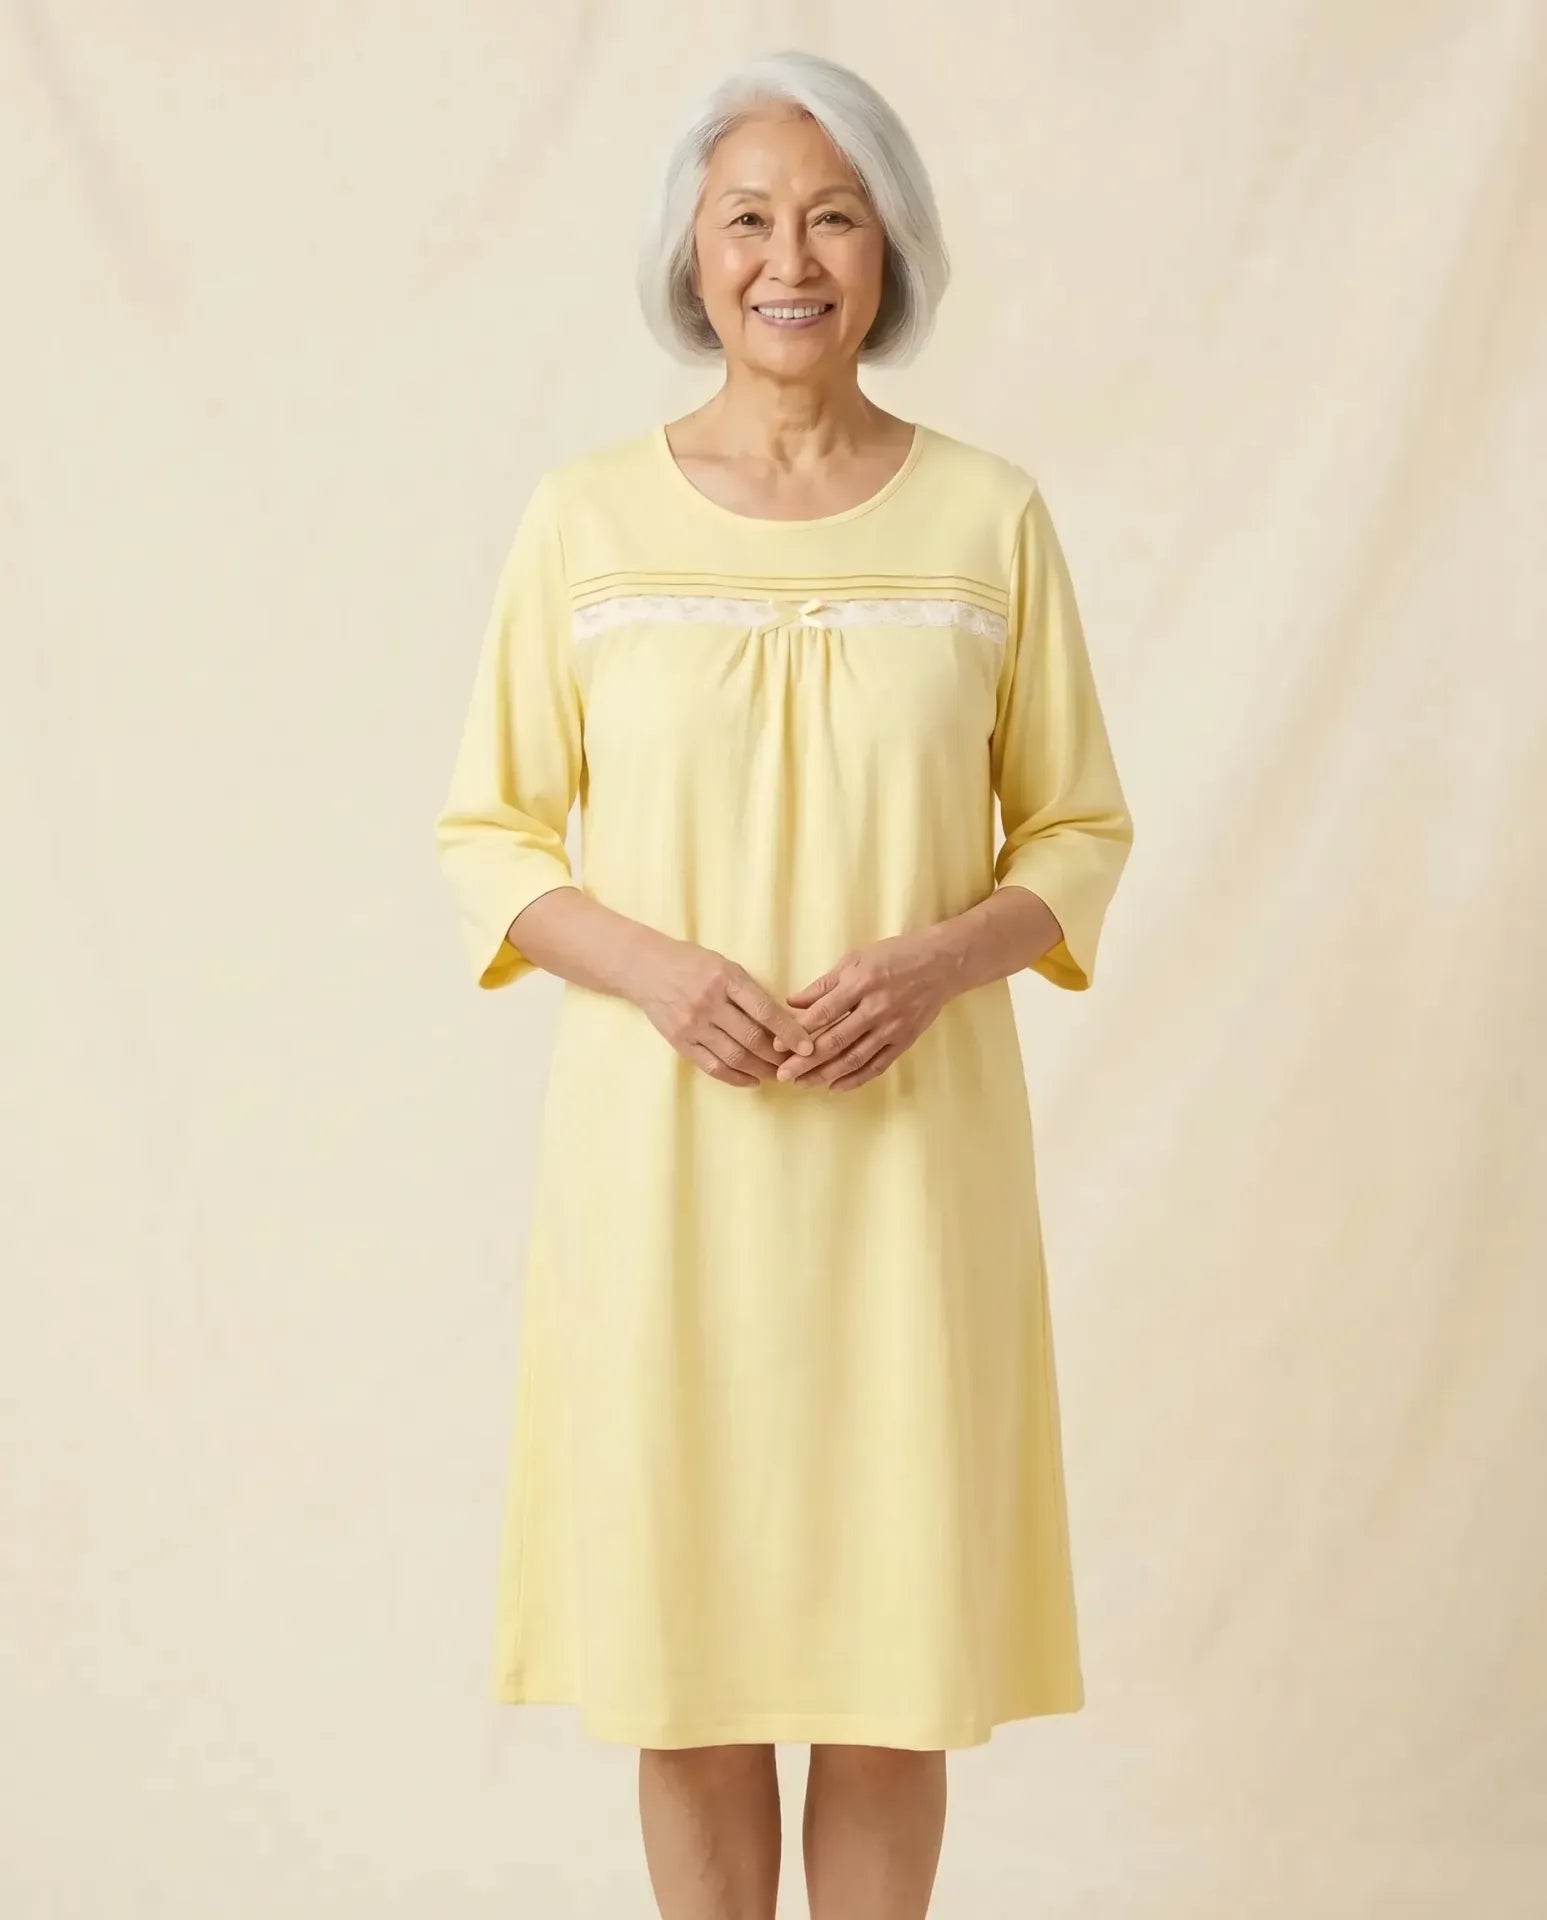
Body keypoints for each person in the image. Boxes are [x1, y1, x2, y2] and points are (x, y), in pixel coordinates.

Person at [434, 47, 1134, 1920]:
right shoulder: (585, 521)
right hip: (665, 1171)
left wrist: (939, 960)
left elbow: (1078, 831)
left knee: (894, 1665)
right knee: (689, 1656)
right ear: (694, 250)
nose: (790, 258)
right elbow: (489, 834)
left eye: (834, 216)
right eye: (748, 217)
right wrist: (660, 974)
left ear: (891, 249)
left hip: (912, 1176)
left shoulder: (988, 518)